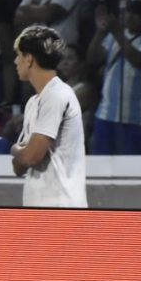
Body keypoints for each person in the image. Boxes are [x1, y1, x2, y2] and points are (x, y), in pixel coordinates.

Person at [10, 25, 88, 208]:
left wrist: (15, 149)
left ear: (29, 59)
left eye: (19, 55)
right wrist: (23, 153)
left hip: (61, 209)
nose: (15, 61)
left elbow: (30, 157)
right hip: (39, 209)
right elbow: (18, 167)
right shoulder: (33, 102)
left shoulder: (57, 94)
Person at [87, 0, 141, 154]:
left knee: (132, 169)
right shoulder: (113, 37)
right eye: (127, 11)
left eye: (136, 13)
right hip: (106, 114)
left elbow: (139, 60)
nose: (129, 16)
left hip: (136, 118)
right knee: (101, 166)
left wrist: (116, 32)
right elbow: (92, 58)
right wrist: (100, 33)